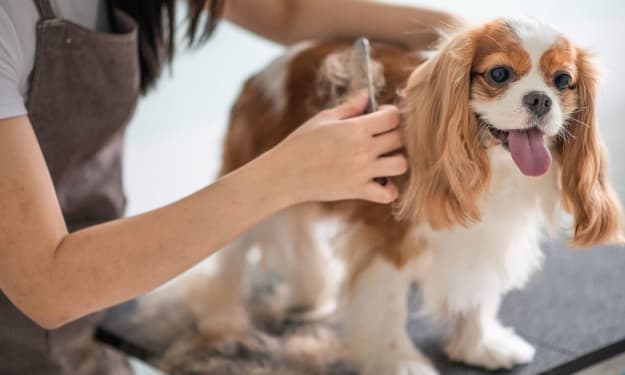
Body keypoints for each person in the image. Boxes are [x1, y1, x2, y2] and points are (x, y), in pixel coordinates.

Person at [0, 0, 460, 373]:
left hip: (93, 325)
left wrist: (452, 33)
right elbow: (48, 286)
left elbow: (287, 12)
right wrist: (286, 173)